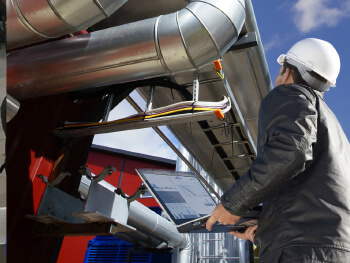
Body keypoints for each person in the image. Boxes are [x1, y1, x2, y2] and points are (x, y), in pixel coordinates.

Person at [206, 38, 350, 262]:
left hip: (301, 252)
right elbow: (315, 198)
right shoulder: (335, 132)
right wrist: (265, 228)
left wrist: (233, 204)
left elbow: (293, 151)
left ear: (288, 70)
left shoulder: (291, 94)